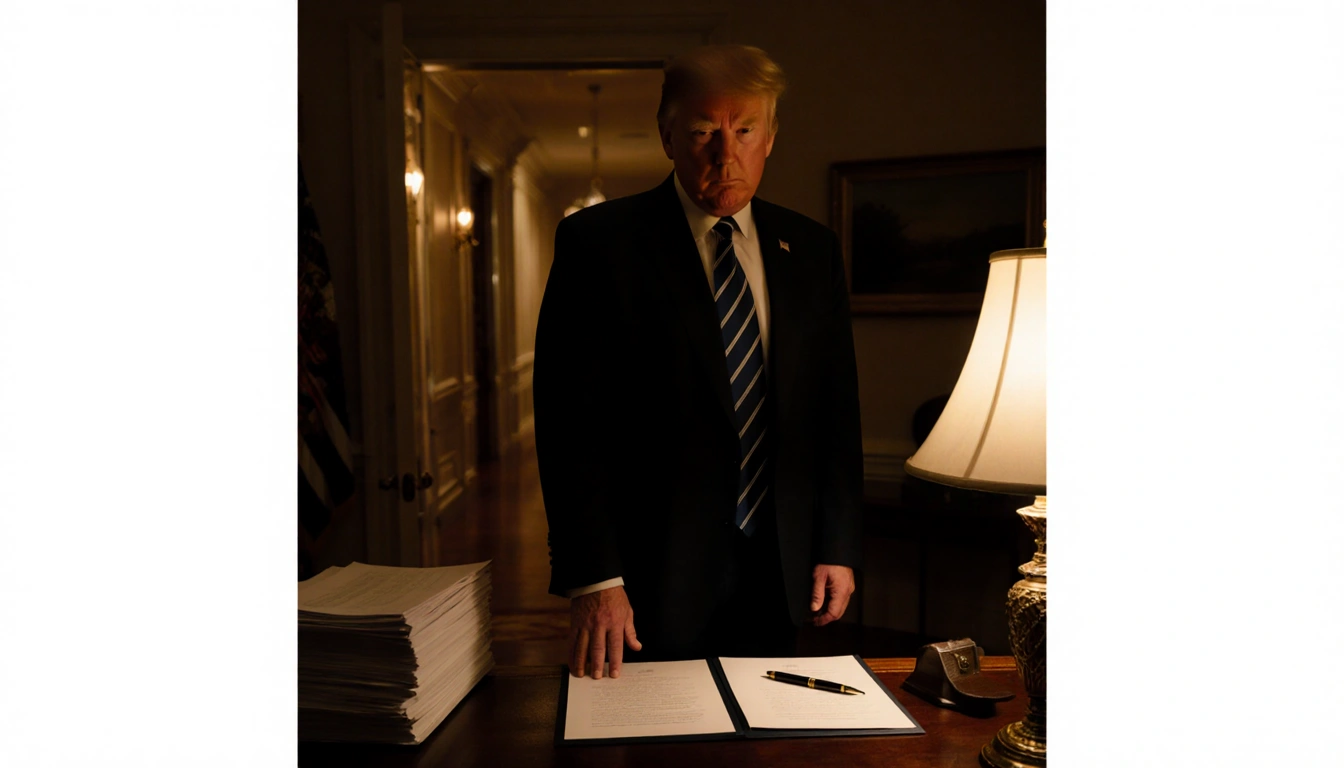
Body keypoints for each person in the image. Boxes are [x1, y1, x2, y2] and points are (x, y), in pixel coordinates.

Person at [533, 44, 863, 680]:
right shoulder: (598, 246)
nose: (725, 153)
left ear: (770, 137)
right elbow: (569, 424)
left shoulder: (813, 252)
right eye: (704, 131)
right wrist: (595, 578)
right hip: (645, 577)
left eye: (744, 131)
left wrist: (837, 545)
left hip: (781, 566)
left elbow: (835, 410)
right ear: (667, 136)